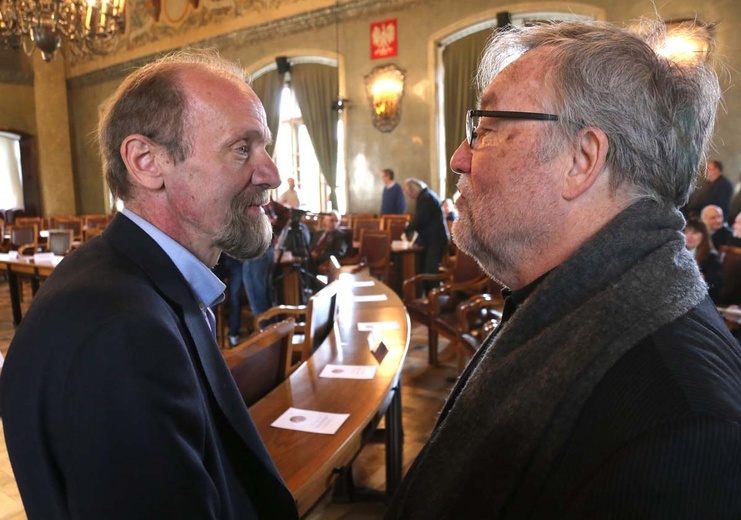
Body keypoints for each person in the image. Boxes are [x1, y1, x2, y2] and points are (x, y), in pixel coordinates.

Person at [387, 19, 741, 519]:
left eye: (486, 128)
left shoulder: (681, 426)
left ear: (582, 158)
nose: (459, 158)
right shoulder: (564, 300)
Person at [0, 51, 299, 519]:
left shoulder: (132, 283)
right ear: (146, 162)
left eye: (265, 147)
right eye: (242, 148)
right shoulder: (120, 334)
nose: (272, 174)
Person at [403, 178, 450, 290]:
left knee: (430, 271)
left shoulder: (425, 198)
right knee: (426, 268)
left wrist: (407, 228)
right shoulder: (427, 195)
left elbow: (420, 219)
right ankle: (429, 295)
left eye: (409, 194)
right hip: (435, 239)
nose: (409, 197)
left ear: (413, 191)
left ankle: (433, 298)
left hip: (436, 240)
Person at [684, 218, 724, 302]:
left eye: (694, 233)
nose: (689, 236)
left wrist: (703, 278)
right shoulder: (678, 253)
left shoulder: (711, 256)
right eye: (686, 232)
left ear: (704, 235)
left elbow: (717, 281)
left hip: (703, 299)